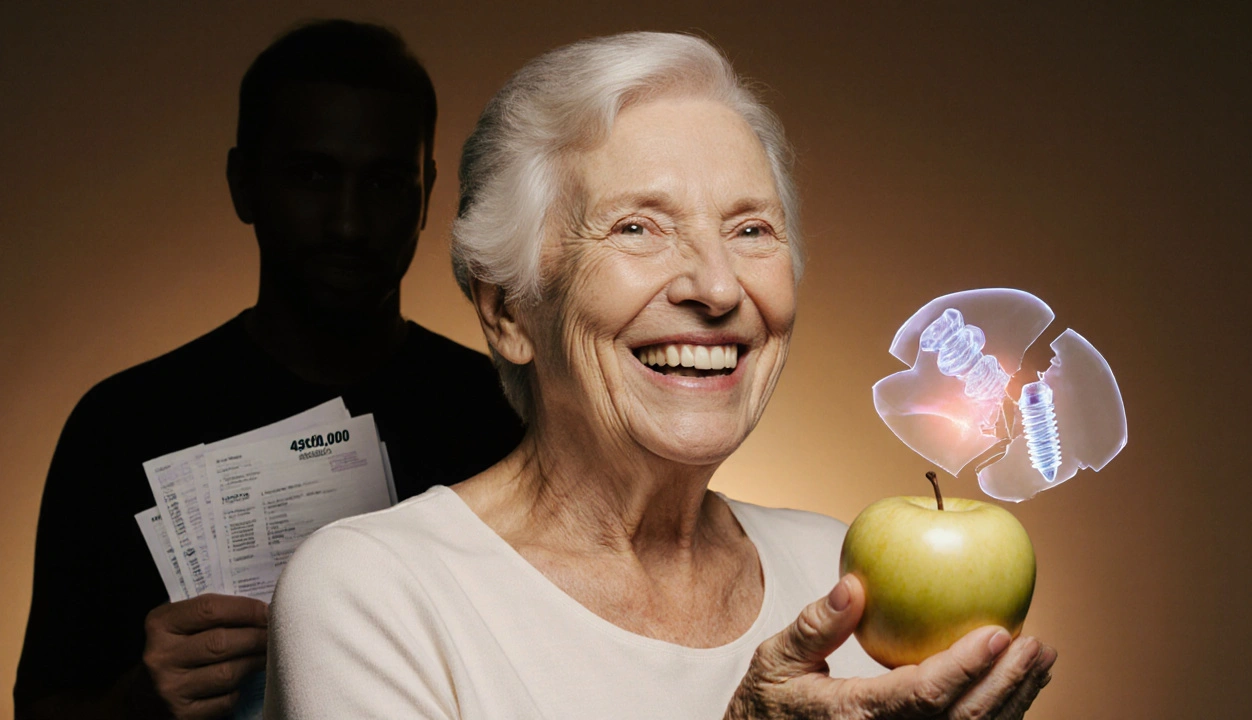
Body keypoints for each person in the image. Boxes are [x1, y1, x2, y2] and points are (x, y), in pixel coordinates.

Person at [264, 31, 1056, 719]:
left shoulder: (842, 570)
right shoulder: (372, 592)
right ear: (508, 312)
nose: (716, 288)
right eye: (637, 227)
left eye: (751, 229)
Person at [14, 19, 523, 720]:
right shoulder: (121, 424)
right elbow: (43, 705)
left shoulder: (508, 412)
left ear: (427, 191)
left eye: (383, 181)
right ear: (243, 182)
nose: (348, 222)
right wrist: (138, 702)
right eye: (313, 175)